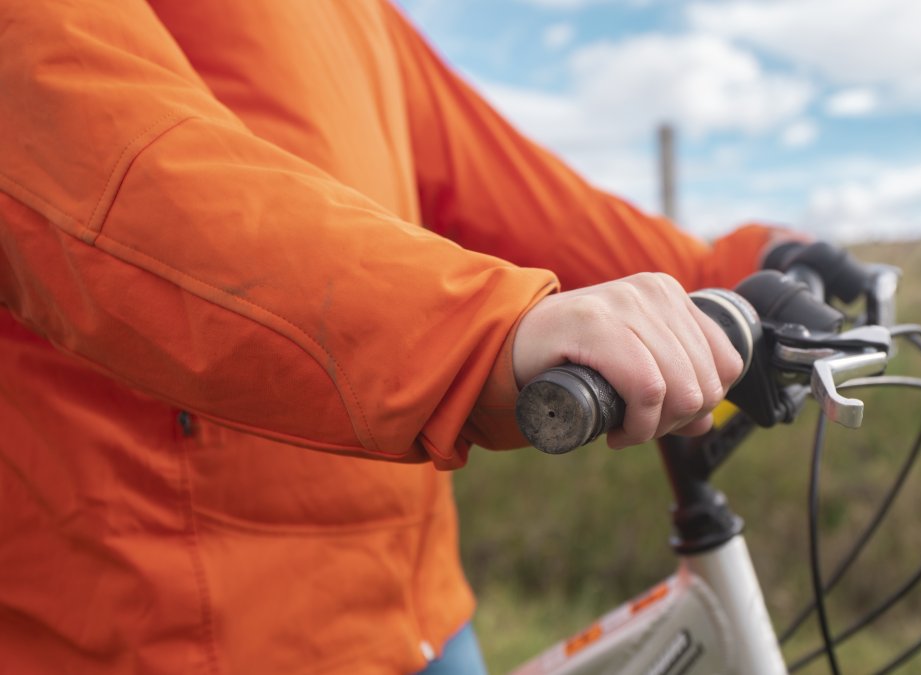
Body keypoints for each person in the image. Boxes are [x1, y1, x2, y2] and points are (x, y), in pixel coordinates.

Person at [0, 2, 786, 673]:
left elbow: (501, 186)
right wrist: (485, 330)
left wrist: (731, 266)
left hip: (418, 612)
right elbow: (105, 165)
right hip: (172, 628)